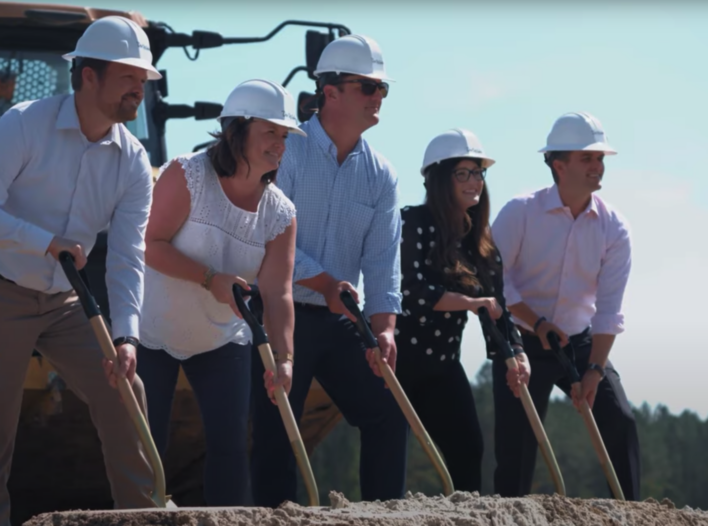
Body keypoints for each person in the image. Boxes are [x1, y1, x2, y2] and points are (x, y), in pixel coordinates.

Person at [0, 16, 162, 526]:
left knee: (126, 392)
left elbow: (129, 256)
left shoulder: (133, 162)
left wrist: (127, 336)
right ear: (89, 76)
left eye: (143, 79)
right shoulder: (23, 122)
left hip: (64, 301)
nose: (139, 88)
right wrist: (46, 244)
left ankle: (144, 516)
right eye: (129, 76)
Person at [248, 34, 408, 506]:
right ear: (330, 91)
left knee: (386, 409)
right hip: (278, 310)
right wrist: (324, 283)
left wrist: (386, 330)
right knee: (280, 423)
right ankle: (272, 517)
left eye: (383, 89)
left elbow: (383, 261)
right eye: (368, 87)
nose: (378, 97)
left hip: (339, 320)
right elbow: (268, 242)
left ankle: (385, 515)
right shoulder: (287, 153)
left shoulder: (382, 175)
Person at [136, 79, 300, 506]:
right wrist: (211, 278)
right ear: (236, 130)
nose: (280, 145)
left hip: (222, 339)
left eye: (284, 136)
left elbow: (278, 294)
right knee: (145, 447)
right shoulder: (186, 174)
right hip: (151, 331)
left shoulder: (281, 213)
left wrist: (284, 359)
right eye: (271, 132)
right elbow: (149, 245)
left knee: (230, 447)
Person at [491, 111, 640, 500]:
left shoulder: (615, 228)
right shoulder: (519, 212)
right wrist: (536, 323)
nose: (597, 166)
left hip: (580, 342)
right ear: (559, 165)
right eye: (587, 158)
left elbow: (609, 308)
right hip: (521, 343)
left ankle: (632, 514)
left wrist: (594, 369)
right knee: (517, 448)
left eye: (600, 159)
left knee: (619, 420)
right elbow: (494, 283)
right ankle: (509, 515)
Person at [394, 128, 531, 493]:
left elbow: (497, 311)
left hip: (443, 365)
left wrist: (516, 354)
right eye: (463, 173)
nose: (474, 182)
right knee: (390, 452)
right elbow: (412, 292)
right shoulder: (413, 223)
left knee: (469, 450)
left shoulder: (480, 246)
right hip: (396, 362)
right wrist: (471, 303)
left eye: (478, 173)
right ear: (440, 179)